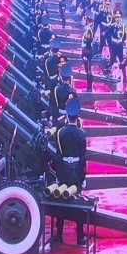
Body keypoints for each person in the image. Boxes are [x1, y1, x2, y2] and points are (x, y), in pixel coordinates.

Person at [52, 97, 89, 245]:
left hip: (64, 171)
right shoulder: (82, 134)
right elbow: (83, 157)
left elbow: (58, 156)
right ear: (78, 115)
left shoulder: (61, 133)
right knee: (78, 202)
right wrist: (83, 176)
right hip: (76, 171)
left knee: (61, 201)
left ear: (67, 115)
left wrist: (58, 175)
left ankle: (59, 234)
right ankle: (80, 236)